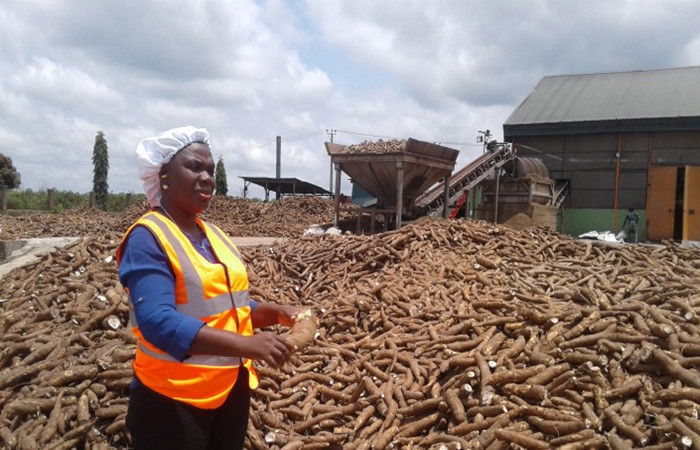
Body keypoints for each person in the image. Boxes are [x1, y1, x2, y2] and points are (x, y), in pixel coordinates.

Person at [116, 126, 300, 450]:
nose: (207, 178)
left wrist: (276, 313)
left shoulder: (213, 234)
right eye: (194, 167)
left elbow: (228, 307)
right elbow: (157, 321)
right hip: (172, 400)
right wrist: (248, 346)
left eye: (211, 170)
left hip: (229, 391)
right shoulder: (148, 237)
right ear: (164, 175)